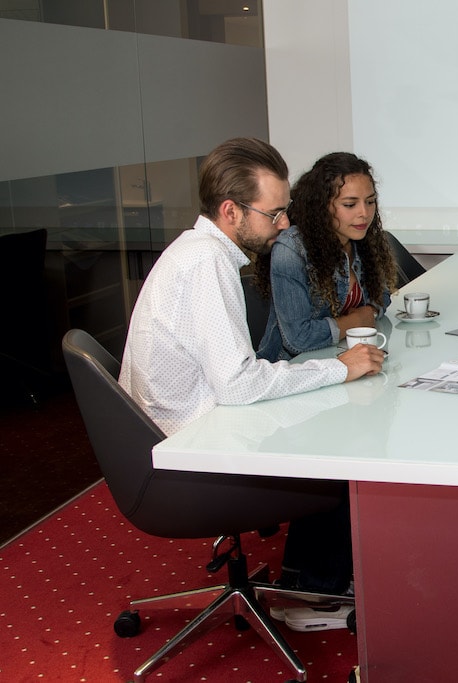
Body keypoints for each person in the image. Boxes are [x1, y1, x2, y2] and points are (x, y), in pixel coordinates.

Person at [119, 137, 383, 623]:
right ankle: (312, 595)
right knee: (338, 444)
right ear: (231, 211)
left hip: (176, 433)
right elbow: (238, 386)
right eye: (274, 213)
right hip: (188, 453)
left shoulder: (198, 251)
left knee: (329, 410)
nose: (284, 223)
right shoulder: (206, 263)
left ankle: (318, 575)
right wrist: (338, 369)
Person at [254, 152, 397, 361]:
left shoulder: (361, 237)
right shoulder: (291, 249)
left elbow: (381, 297)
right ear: (321, 206)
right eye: (350, 204)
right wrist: (356, 320)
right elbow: (298, 339)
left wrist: (367, 314)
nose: (364, 213)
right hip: (294, 370)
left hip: (344, 358)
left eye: (370, 201)